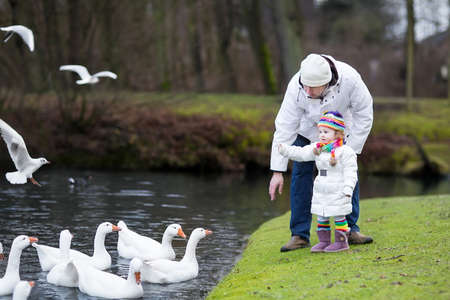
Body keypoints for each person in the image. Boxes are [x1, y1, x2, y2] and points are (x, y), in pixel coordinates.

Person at [269, 53, 373, 252]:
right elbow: (284, 127)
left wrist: (349, 151)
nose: (307, 91)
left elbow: (365, 114)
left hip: (339, 132)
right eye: (305, 86)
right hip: (306, 130)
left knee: (347, 176)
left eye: (313, 87)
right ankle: (299, 235)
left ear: (326, 82)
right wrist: (277, 171)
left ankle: (350, 230)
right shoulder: (296, 86)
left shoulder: (350, 79)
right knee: (301, 175)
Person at [278, 111, 357, 252]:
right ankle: (324, 241)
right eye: (320, 131)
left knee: (339, 214)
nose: (322, 135)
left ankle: (341, 242)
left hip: (338, 188)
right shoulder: (318, 149)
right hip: (322, 188)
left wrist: (348, 188)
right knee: (322, 214)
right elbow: (301, 153)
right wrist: (285, 150)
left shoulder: (345, 151)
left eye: (326, 132)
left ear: (337, 133)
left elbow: (351, 172)